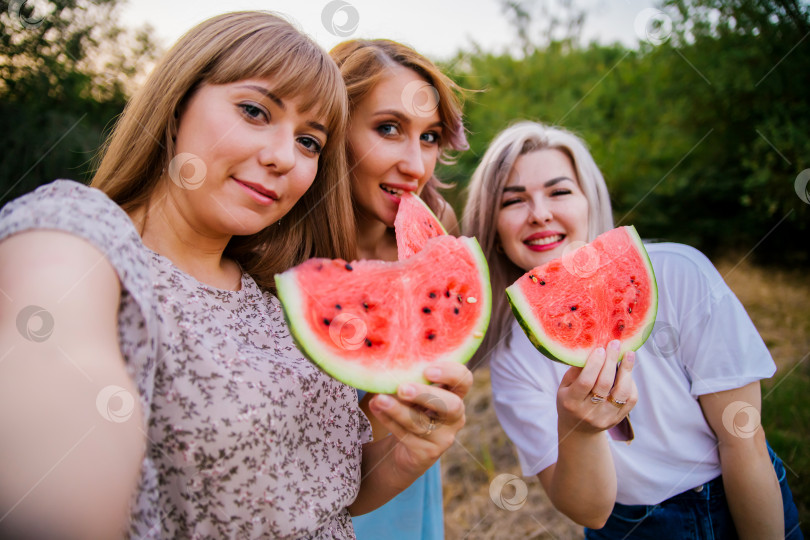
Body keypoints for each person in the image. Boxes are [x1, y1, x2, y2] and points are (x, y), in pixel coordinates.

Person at [0, 12, 471, 539]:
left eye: (309, 142)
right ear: (177, 106)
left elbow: (322, 491)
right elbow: (57, 363)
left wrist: (407, 452)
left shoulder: (275, 292)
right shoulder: (86, 237)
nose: (281, 158)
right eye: (254, 111)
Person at [462, 120, 802, 539]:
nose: (541, 213)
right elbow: (589, 511)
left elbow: (743, 441)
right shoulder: (513, 357)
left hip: (738, 493)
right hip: (627, 527)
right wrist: (582, 433)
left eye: (560, 191)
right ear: (493, 230)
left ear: (590, 203)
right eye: (513, 201)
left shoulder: (678, 274)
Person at [329, 39, 469, 539]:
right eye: (389, 129)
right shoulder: (281, 243)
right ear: (333, 126)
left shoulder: (436, 226)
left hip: (402, 470)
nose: (416, 165)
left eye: (429, 137)